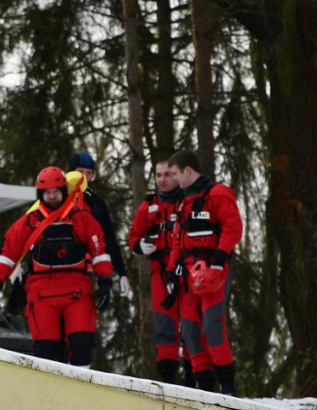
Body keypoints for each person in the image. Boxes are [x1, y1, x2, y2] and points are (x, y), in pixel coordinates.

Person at [0, 165, 113, 367]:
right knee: (46, 351)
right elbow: (7, 254)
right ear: (40, 194)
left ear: (64, 192)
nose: (52, 196)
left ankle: (82, 387)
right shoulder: (29, 222)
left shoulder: (82, 219)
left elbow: (100, 252)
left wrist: (105, 281)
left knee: (82, 344)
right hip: (42, 292)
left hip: (76, 291)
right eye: (47, 192)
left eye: (55, 192)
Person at [166, 150, 243, 395]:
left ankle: (227, 384)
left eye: (176, 174)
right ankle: (203, 385)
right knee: (189, 330)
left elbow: (233, 227)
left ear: (188, 170)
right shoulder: (183, 201)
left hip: (212, 271)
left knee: (212, 326)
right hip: (188, 274)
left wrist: (219, 260)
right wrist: (171, 271)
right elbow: (178, 238)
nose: (175, 179)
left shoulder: (218, 194)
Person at [128, 160, 187, 384]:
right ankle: (168, 378)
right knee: (164, 326)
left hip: (186, 270)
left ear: (177, 176)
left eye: (167, 175)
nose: (162, 179)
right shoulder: (149, 206)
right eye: (158, 175)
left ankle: (196, 377)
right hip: (159, 273)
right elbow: (133, 236)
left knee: (191, 325)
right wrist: (140, 246)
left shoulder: (187, 202)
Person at [69, 151, 131, 299]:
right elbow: (32, 227)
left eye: (88, 173)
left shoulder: (95, 203)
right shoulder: (56, 195)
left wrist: (122, 272)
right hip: (53, 267)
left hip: (85, 268)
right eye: (80, 172)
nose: (84, 177)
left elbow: (108, 237)